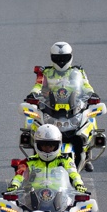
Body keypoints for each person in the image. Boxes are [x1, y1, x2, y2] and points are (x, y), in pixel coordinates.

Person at [28, 42, 99, 170]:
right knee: (34, 126)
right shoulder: (46, 72)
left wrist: (92, 94)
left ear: (70, 57)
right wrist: (33, 94)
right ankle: (35, 160)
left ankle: (87, 153)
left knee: (89, 118)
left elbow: (86, 85)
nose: (61, 61)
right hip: (50, 109)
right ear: (52, 57)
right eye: (57, 58)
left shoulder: (78, 71)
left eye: (64, 58)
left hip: (74, 109)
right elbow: (38, 85)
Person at [6, 125, 88, 194]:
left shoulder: (66, 160)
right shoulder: (28, 161)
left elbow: (74, 174)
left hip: (60, 196)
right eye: (44, 145)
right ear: (37, 145)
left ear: (58, 145)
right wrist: (14, 185)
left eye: (51, 145)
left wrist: (79, 184)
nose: (48, 148)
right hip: (32, 196)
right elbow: (19, 175)